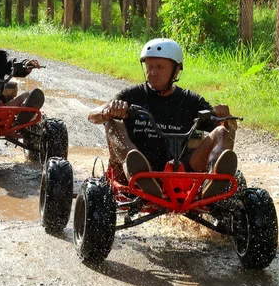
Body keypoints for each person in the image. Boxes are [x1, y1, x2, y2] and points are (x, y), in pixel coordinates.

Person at [88, 38, 237, 198]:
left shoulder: (190, 100)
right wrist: (108, 111)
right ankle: (140, 174)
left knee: (223, 131)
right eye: (149, 67)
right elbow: (92, 116)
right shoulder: (132, 96)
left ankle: (214, 181)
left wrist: (226, 119)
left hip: (182, 172)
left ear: (176, 70)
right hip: (133, 170)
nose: (152, 73)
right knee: (112, 123)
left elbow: (226, 128)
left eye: (160, 67)